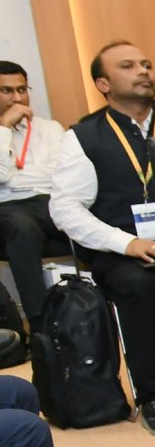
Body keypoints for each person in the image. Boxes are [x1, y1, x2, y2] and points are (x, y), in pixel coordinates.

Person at [48, 42, 155, 436]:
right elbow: (65, 210)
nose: (143, 71)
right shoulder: (84, 136)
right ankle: (153, 394)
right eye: (128, 66)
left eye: (147, 64)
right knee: (137, 284)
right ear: (103, 83)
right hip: (123, 250)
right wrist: (126, 243)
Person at [0, 63, 66, 323]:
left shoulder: (50, 128)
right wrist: (4, 127)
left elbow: (60, 174)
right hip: (8, 208)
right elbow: (2, 176)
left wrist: (17, 179)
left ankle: (95, 314)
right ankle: (43, 325)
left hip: (50, 201)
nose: (17, 98)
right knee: (22, 229)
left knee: (92, 218)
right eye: (6, 91)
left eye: (22, 90)